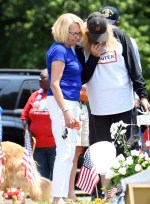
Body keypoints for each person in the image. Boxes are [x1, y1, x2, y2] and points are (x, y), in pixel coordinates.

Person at [75, 11, 150, 196]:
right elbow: (82, 78)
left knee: (125, 151)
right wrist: (93, 57)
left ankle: (126, 193)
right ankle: (104, 194)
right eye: (95, 37)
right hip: (99, 108)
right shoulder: (81, 46)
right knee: (101, 154)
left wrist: (143, 95)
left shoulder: (120, 37)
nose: (99, 40)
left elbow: (134, 68)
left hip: (123, 105)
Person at [46, 13, 84, 204]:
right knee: (65, 151)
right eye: (74, 33)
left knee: (68, 152)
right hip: (63, 103)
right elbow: (54, 83)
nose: (77, 37)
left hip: (70, 102)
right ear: (63, 30)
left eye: (79, 34)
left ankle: (59, 196)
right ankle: (57, 197)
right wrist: (66, 112)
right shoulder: (60, 50)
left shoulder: (69, 49)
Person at [100, 5, 142, 136]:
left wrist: (136, 96)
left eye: (111, 25)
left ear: (118, 24)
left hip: (123, 98)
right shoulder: (93, 41)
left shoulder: (127, 40)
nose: (109, 29)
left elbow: (136, 67)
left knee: (125, 140)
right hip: (101, 100)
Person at [20, 69, 56, 180]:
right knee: (40, 176)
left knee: (56, 174)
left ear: (52, 78)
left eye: (43, 77)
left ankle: (56, 197)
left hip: (55, 144)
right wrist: (27, 131)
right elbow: (24, 117)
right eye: (39, 77)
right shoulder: (35, 95)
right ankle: (42, 197)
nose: (39, 80)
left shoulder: (57, 94)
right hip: (37, 145)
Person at [68, 85, 90, 201]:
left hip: (84, 107)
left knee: (76, 153)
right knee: (70, 154)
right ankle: (65, 192)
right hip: (73, 106)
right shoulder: (76, 67)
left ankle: (70, 192)